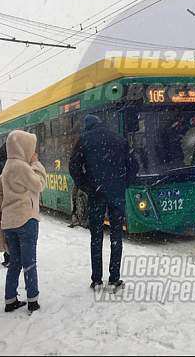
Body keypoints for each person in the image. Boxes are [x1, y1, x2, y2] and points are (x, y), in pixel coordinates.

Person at [69, 115, 139, 292]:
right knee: (116, 237)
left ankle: (97, 280)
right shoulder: (119, 139)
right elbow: (134, 165)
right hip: (116, 194)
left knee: (96, 237)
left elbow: (73, 166)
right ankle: (114, 279)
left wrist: (84, 184)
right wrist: (124, 183)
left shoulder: (85, 140)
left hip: (96, 194)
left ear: (88, 127)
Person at [0, 130, 46, 313]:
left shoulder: (7, 166)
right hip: (26, 220)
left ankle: (10, 299)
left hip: (10, 222)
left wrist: (3, 207)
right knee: (29, 262)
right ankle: (33, 300)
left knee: (15, 262)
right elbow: (39, 184)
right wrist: (36, 163)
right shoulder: (21, 167)